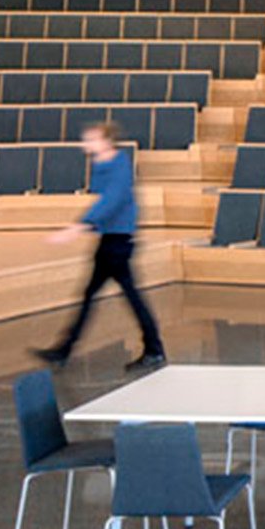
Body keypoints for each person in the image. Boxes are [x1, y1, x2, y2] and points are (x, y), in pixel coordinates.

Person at [34, 121, 166, 371]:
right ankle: (64, 349)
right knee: (95, 295)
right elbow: (106, 203)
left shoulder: (119, 165)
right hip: (109, 239)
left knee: (129, 297)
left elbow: (113, 200)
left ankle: (154, 349)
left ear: (106, 141)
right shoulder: (101, 165)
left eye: (92, 139)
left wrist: (79, 226)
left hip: (119, 242)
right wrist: (90, 226)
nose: (86, 144)